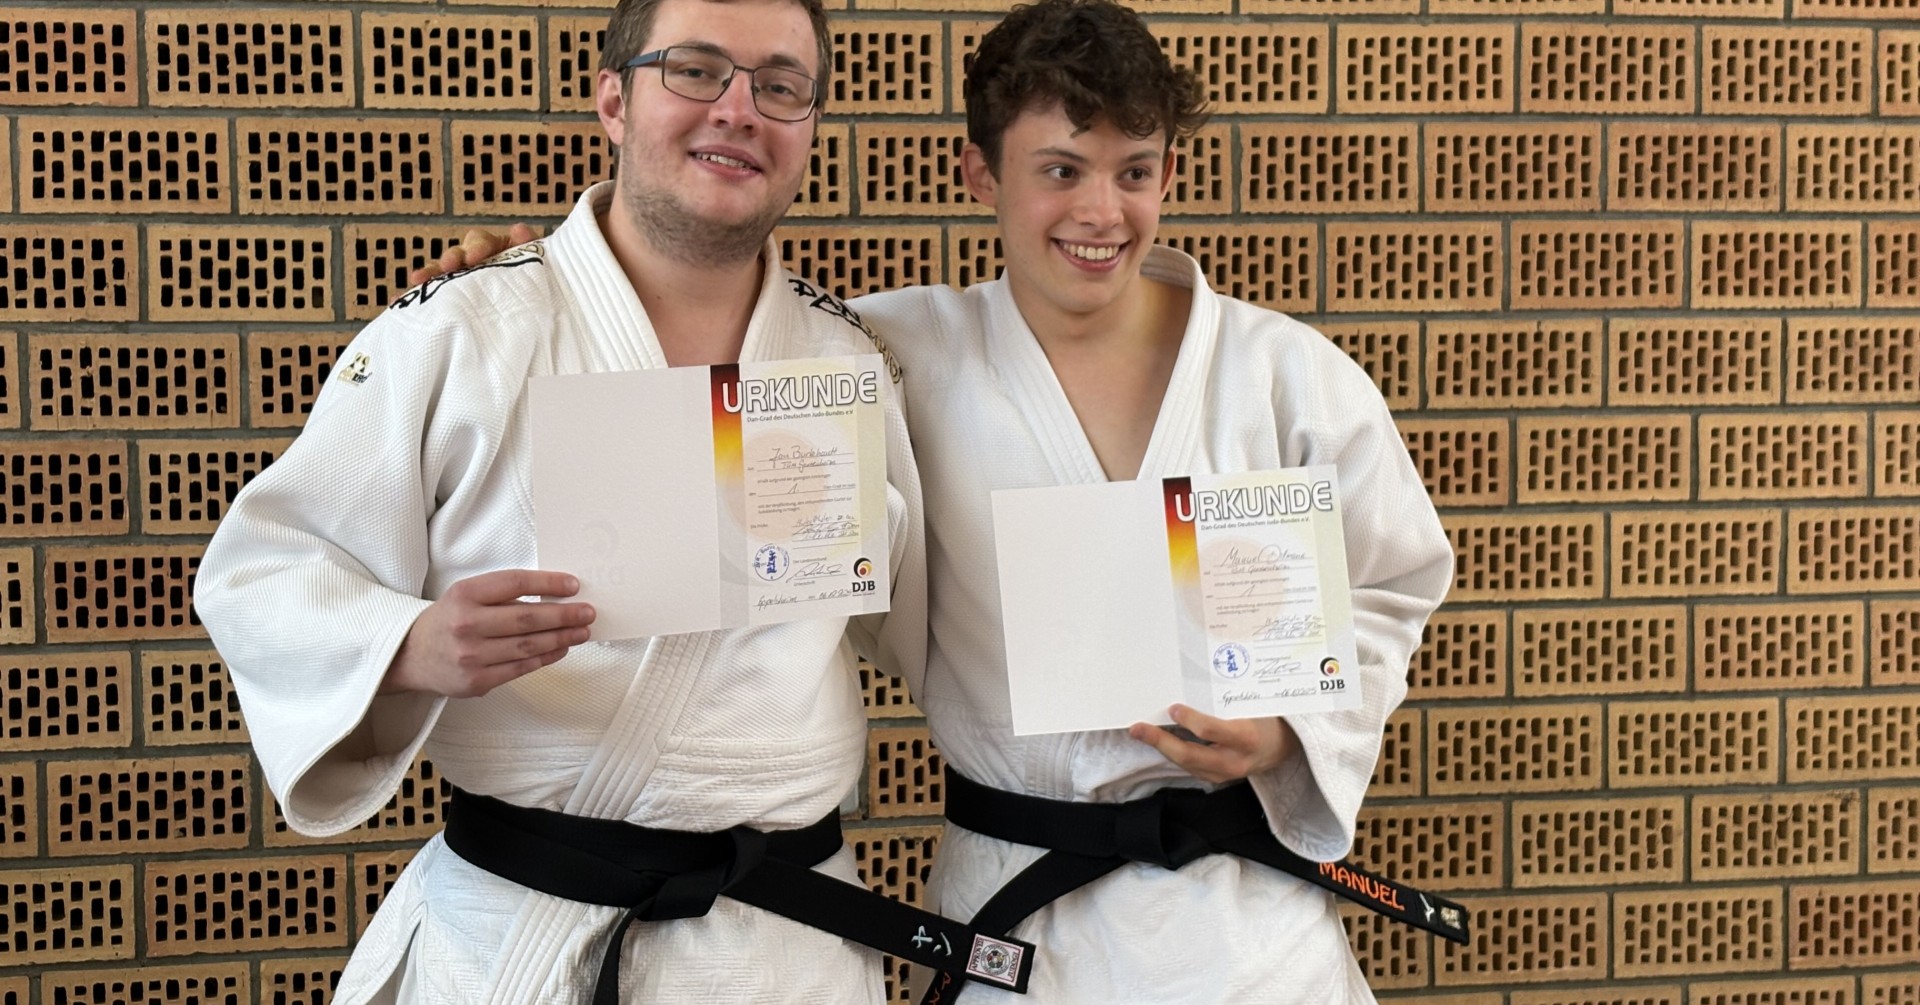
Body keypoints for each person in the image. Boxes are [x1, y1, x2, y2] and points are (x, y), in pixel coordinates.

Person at [424, 2, 1459, 1000]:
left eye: (1135, 172)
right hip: (1018, 910)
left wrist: (1290, 734)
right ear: (982, 174)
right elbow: (699, 382)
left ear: (1169, 176)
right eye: (1061, 170)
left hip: (1252, 934)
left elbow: (1393, 582)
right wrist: (531, 290)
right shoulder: (883, 357)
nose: (1102, 213)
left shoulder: (1287, 375)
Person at [192, 0, 934, 1001]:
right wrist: (407, 644)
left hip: (785, 958)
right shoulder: (464, 331)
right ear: (613, 102)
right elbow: (264, 569)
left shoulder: (848, 363)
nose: (739, 109)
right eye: (696, 69)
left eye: (780, 85)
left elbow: (941, 623)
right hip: (520, 936)